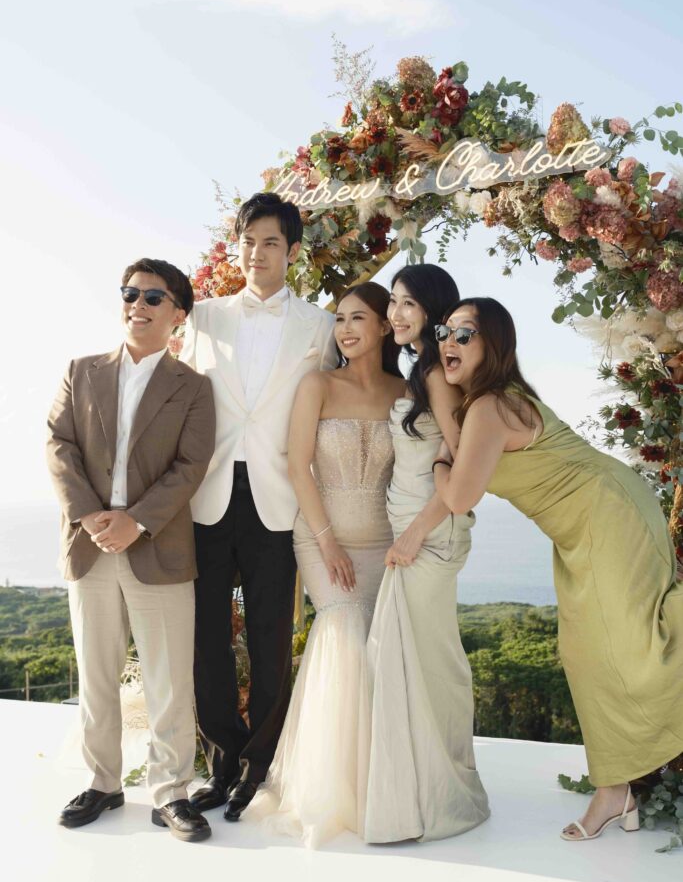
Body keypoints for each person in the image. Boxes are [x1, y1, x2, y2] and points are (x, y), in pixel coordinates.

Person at [433, 296, 683, 841]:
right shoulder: (491, 402)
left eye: (464, 334)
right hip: (588, 524)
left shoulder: (489, 406)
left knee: (615, 648)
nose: (449, 343)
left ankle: (613, 792)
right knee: (586, 650)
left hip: (606, 515)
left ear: (494, 343)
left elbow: (457, 497)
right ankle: (618, 792)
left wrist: (436, 462)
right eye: (443, 333)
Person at [47, 258, 216, 842]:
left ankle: (171, 792)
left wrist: (136, 522)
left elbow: (191, 466)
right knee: (97, 675)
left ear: (178, 314)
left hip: (158, 549)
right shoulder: (81, 370)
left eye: (152, 297)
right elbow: (59, 445)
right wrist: (94, 517)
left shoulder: (194, 388)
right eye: (130, 293)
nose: (137, 304)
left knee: (169, 680)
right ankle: (102, 783)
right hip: (90, 545)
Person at [182, 192, 336, 821]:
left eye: (270, 242)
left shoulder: (322, 327)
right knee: (206, 638)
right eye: (247, 241)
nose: (256, 253)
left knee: (273, 638)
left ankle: (259, 766)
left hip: (279, 496)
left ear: (292, 251)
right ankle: (219, 760)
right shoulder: (203, 318)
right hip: (207, 494)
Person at [242, 282, 405, 846]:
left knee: (378, 656)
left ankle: (380, 785)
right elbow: (297, 466)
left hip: (383, 546)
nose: (345, 329)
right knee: (342, 636)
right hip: (320, 540)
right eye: (339, 319)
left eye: (358, 318)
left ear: (387, 325)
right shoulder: (318, 384)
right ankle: (328, 792)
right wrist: (328, 541)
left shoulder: (404, 391)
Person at [364, 265, 490, 844]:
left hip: (429, 533)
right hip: (412, 528)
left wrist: (416, 532)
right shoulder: (420, 368)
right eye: (392, 302)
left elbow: (464, 462)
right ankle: (418, 786)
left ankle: (446, 796)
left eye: (408, 303)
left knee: (434, 663)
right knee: (411, 660)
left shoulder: (438, 374)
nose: (395, 313)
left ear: (433, 311)